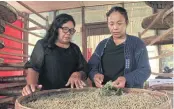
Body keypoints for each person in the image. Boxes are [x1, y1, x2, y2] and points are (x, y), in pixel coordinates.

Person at [22, 14, 88, 96]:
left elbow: (85, 69)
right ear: (56, 29)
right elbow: (33, 67)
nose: (68, 33)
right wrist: (31, 86)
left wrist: (78, 74)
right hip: (47, 95)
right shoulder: (43, 45)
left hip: (71, 95)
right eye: (65, 29)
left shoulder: (75, 49)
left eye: (71, 30)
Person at [88, 6, 151, 88]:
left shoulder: (137, 43)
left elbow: (145, 70)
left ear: (127, 22)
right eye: (111, 24)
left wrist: (126, 79)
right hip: (105, 93)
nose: (115, 27)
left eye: (119, 23)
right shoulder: (102, 45)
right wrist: (95, 75)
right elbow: (91, 66)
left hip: (129, 94)